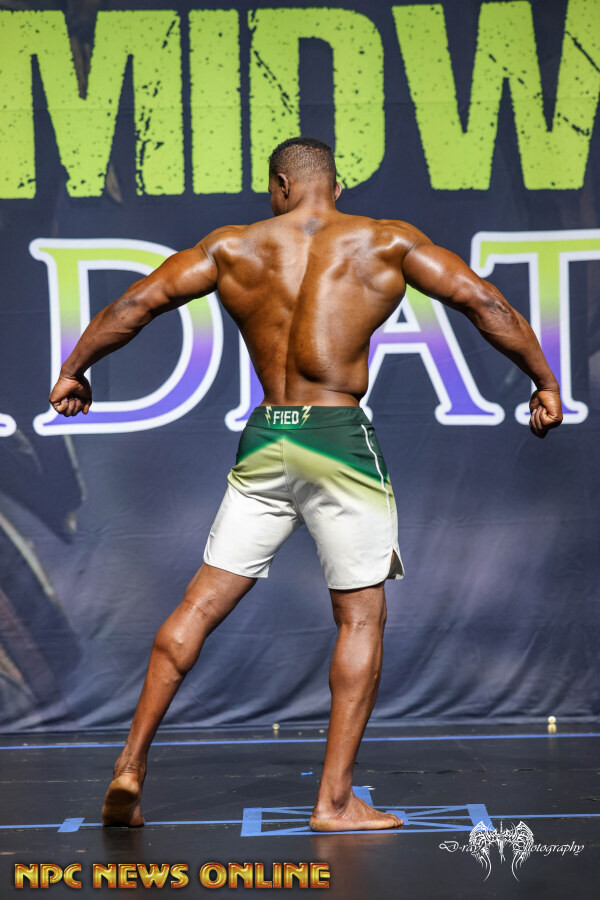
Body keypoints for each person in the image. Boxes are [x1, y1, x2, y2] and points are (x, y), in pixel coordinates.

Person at [48, 137, 563, 832]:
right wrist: (544, 381)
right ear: (335, 187)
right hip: (336, 440)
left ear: (282, 185)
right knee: (360, 618)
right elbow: (484, 302)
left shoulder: (233, 248)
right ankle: (334, 802)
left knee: (199, 605)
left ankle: (130, 765)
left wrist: (74, 369)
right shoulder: (386, 242)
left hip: (269, 436)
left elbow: (137, 303)